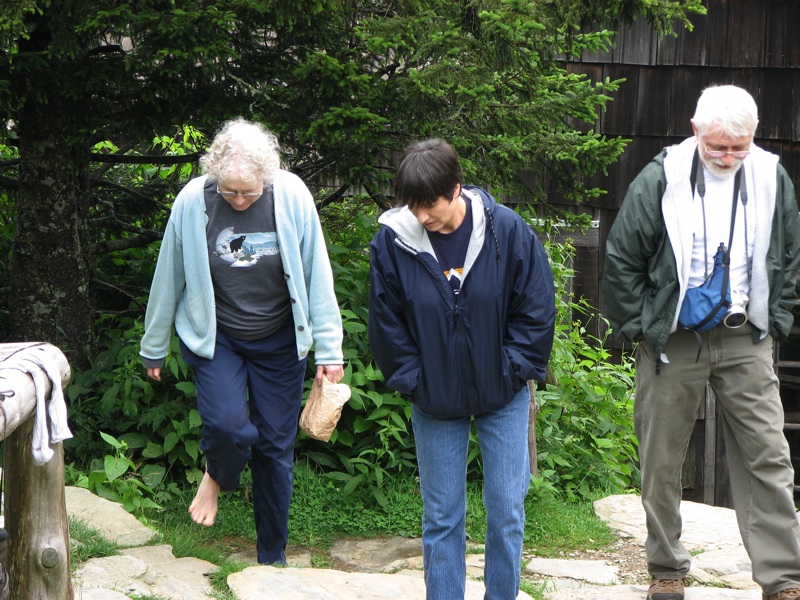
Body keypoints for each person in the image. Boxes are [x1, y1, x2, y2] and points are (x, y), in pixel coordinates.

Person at [602, 84, 800, 600]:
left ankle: (782, 580)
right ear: (695, 131)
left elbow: (788, 252)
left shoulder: (770, 175)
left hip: (745, 338)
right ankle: (666, 571)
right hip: (675, 340)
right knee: (661, 460)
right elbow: (622, 259)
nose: (730, 156)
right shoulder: (660, 178)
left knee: (769, 458)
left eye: (740, 146)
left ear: (753, 137)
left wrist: (776, 318)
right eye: (718, 147)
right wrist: (644, 330)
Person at [139, 118, 344, 565]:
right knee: (228, 425)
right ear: (215, 176)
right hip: (219, 339)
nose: (238, 199)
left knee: (274, 448)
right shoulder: (193, 201)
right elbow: (168, 274)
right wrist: (154, 344)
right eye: (229, 191)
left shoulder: (291, 196)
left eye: (248, 193)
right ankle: (217, 471)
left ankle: (272, 557)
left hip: (279, 340)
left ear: (265, 179)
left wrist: (330, 351)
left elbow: (317, 274)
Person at [368, 138, 556, 599]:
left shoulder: (507, 232)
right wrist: (416, 380)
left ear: (455, 189)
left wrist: (511, 370)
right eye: (412, 206)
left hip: (504, 395)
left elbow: (536, 309)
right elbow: (386, 324)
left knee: (507, 512)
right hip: (434, 399)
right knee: (442, 517)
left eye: (428, 205)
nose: (421, 217)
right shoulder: (392, 243)